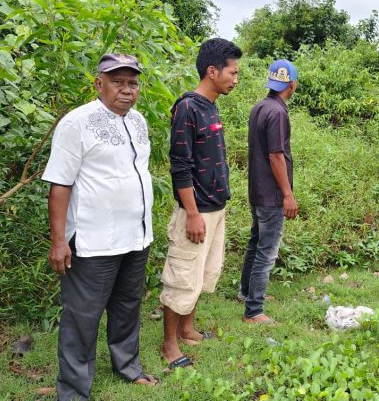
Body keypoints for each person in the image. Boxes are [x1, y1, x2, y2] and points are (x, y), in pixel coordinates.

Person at [42, 53, 158, 400]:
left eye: (132, 83)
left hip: (136, 236)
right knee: (83, 316)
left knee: (127, 306)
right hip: (94, 240)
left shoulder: (138, 121)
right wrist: (59, 241)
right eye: (117, 82)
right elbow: (60, 184)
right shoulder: (76, 123)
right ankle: (74, 389)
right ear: (99, 83)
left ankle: (128, 366)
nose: (126, 90)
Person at [159, 38, 242, 370]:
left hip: (215, 208)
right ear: (212, 71)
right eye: (232, 73)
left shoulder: (211, 105)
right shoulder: (188, 108)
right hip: (195, 212)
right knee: (181, 277)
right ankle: (169, 345)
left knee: (202, 274)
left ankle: (187, 329)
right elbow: (180, 166)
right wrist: (192, 213)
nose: (235, 79)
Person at [238, 59, 299, 325]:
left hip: (257, 190)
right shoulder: (278, 113)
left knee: (256, 242)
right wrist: (287, 194)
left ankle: (246, 292)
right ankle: (253, 310)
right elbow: (276, 155)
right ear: (292, 84)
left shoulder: (260, 107)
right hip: (272, 194)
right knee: (267, 250)